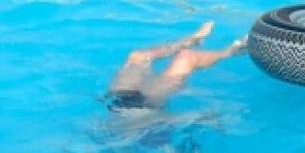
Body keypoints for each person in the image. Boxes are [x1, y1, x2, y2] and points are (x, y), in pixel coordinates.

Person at [106, 20, 247, 113]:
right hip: (145, 107)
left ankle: (191, 41)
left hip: (119, 98)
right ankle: (229, 51)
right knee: (187, 57)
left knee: (138, 56)